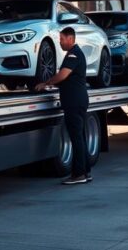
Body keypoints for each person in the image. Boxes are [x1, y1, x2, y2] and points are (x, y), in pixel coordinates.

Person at [35, 27, 91, 185]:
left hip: (74, 101)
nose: (60, 42)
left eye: (62, 39)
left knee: (76, 138)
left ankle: (78, 174)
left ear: (70, 39)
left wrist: (46, 83)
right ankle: (86, 172)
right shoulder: (74, 53)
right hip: (77, 100)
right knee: (80, 137)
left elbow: (63, 75)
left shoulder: (73, 54)